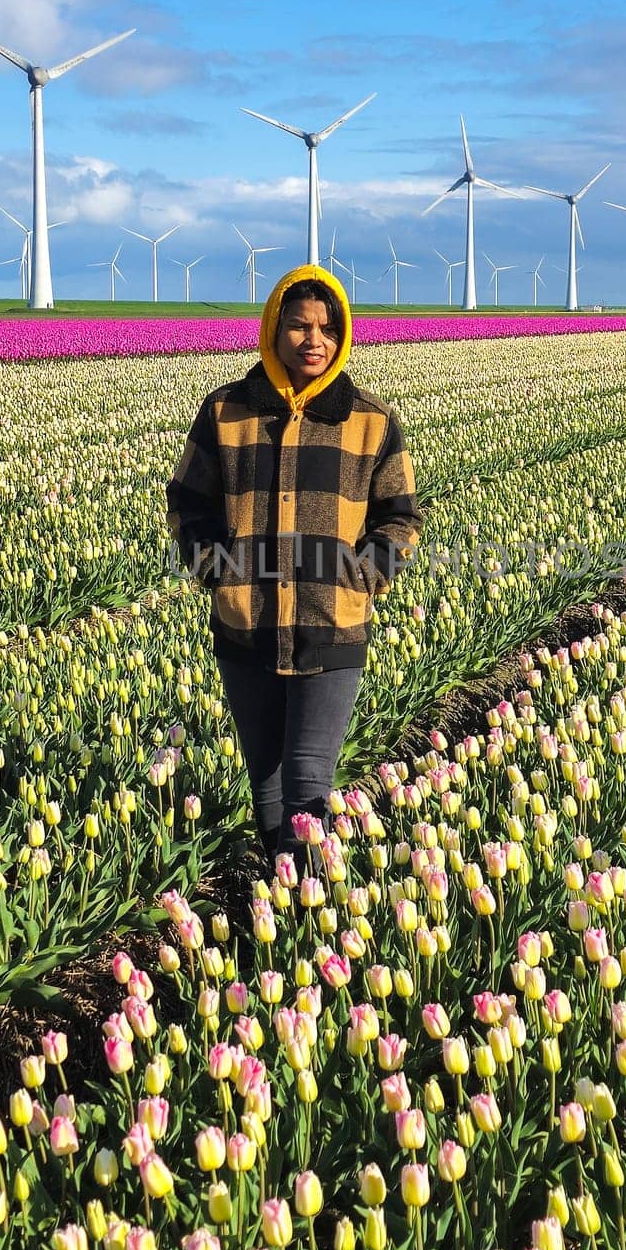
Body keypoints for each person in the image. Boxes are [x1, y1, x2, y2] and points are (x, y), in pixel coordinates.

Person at [166, 262, 424, 871]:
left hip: (330, 624)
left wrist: (365, 574)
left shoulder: (370, 420)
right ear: (273, 330)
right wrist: (214, 567)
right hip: (246, 624)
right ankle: (289, 920)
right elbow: (187, 499)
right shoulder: (226, 411)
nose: (315, 340)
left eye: (328, 328)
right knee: (268, 788)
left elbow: (402, 517)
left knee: (309, 784)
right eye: (300, 326)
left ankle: (306, 926)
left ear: (343, 335)